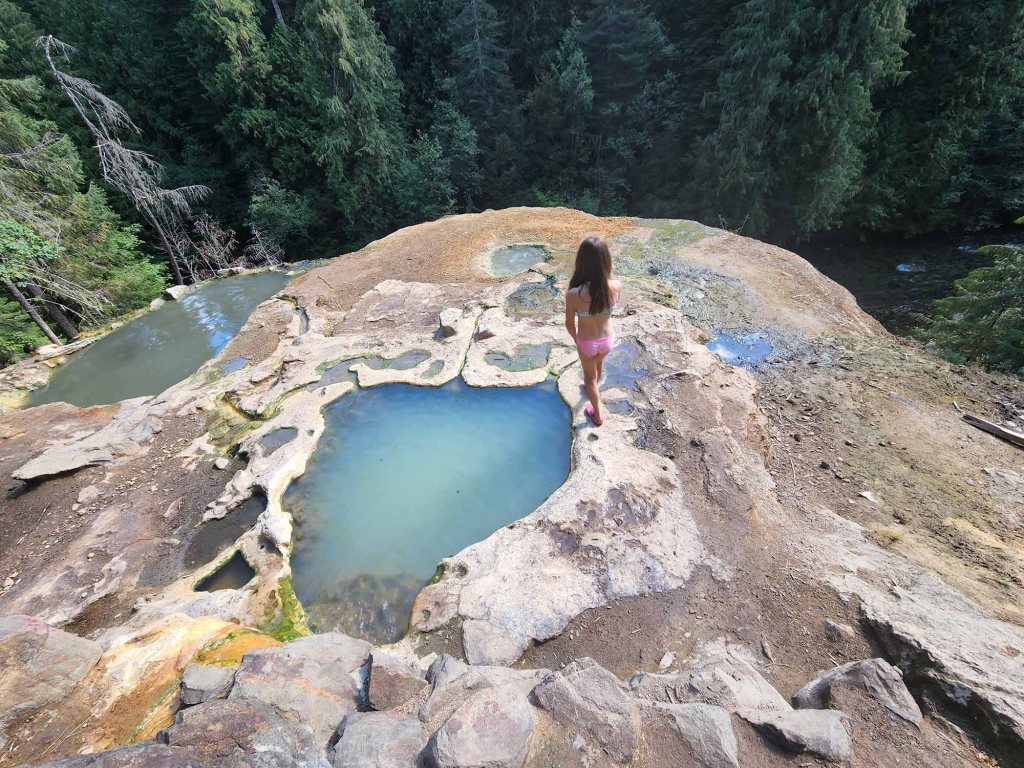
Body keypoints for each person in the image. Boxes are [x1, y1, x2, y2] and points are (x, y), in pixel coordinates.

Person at [565, 236, 621, 427]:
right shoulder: (615, 286)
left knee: (589, 378)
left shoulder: (574, 294)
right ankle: (596, 389)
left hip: (587, 342)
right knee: (599, 363)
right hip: (607, 340)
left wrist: (577, 339)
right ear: (606, 260)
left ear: (581, 262)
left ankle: (597, 415)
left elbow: (569, 324)